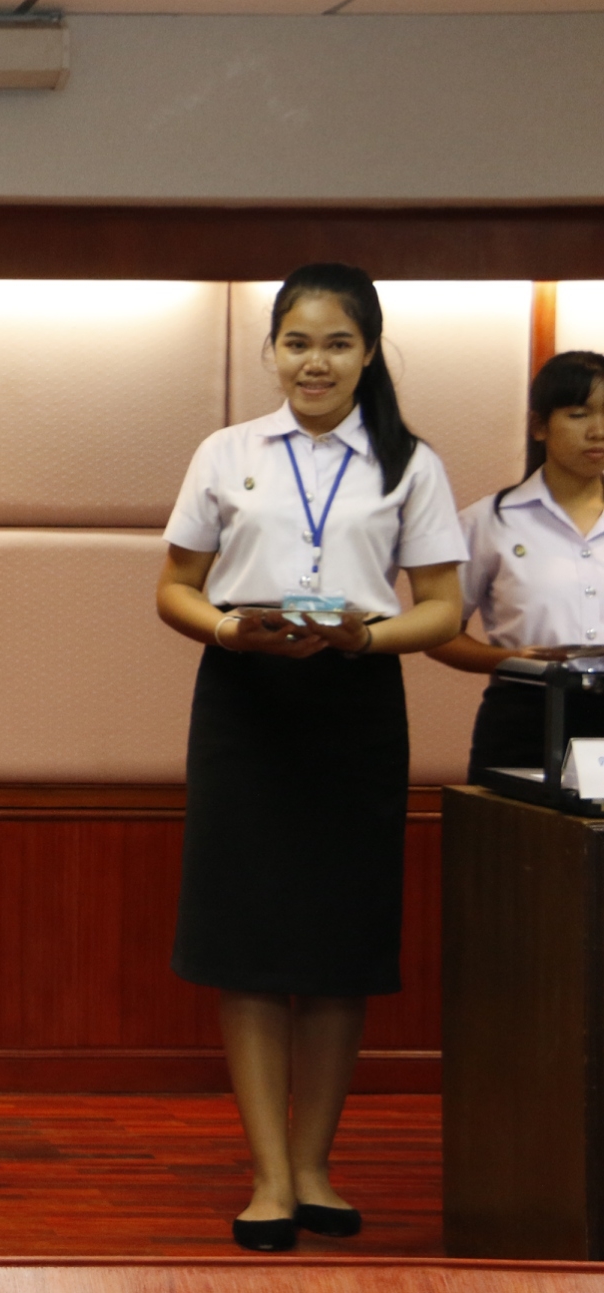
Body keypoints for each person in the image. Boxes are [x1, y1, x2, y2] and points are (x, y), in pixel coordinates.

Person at [156, 263, 466, 1251]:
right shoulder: (226, 451)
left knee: (336, 951)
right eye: (296, 342)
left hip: (354, 699)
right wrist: (225, 628)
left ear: (368, 352)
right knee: (248, 947)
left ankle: (314, 1167)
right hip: (245, 699)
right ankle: (267, 1178)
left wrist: (366, 637)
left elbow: (441, 608)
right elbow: (174, 586)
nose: (314, 362)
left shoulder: (409, 462)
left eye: (336, 343)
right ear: (272, 351)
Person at [429, 351, 604, 771]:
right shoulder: (489, 520)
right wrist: (515, 658)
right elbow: (439, 634)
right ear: (539, 425)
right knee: (515, 817)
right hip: (525, 715)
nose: (598, 431)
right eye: (579, 414)